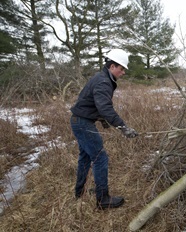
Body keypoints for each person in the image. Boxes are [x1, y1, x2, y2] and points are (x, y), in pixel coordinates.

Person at [70, 48, 138, 210]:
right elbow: (105, 107)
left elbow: (94, 104)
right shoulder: (103, 82)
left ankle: (80, 191)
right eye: (121, 69)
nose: (123, 73)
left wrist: (105, 122)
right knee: (100, 158)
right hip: (83, 123)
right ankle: (103, 200)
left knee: (85, 158)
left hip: (79, 121)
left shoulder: (101, 78)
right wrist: (123, 127)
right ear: (112, 66)